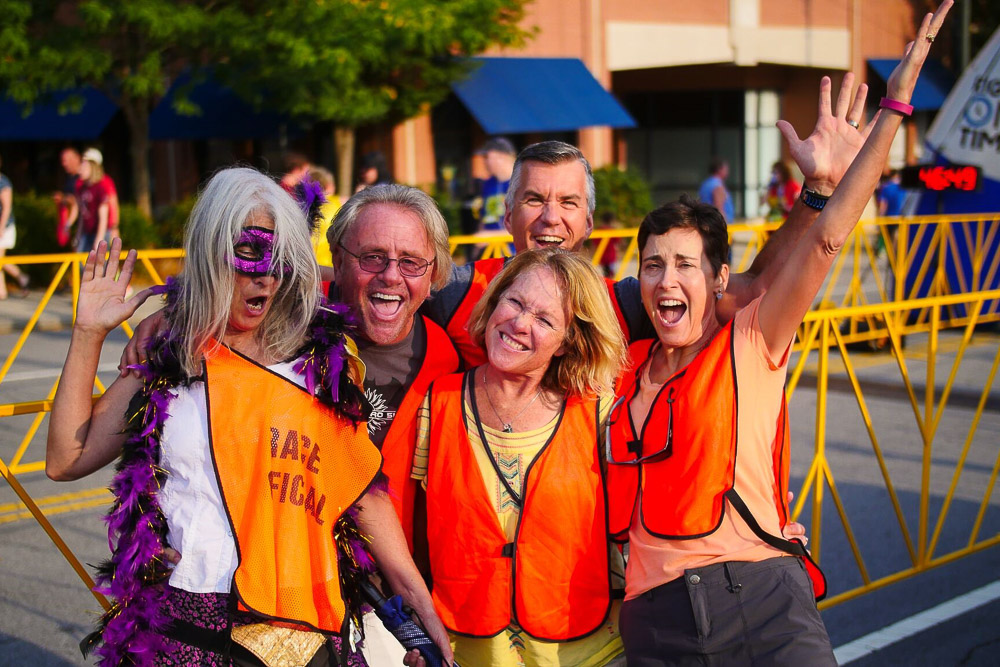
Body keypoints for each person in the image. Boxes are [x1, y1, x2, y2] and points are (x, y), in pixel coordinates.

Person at [606, 4, 951, 664]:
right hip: (654, 619)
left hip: (759, 597)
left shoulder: (748, 341)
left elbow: (824, 243)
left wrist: (891, 115)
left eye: (684, 264)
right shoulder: (622, 367)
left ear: (718, 280)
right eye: (652, 264)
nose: (665, 280)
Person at [46, 167, 452, 667]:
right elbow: (66, 458)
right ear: (211, 250)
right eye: (249, 253)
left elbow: (360, 486)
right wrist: (88, 333)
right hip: (188, 624)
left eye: (281, 258)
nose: (266, 275)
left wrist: (417, 600)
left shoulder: (318, 359)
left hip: (305, 626)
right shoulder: (172, 355)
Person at [411, 249, 630, 667]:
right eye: (514, 302)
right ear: (494, 301)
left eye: (545, 320)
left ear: (568, 342)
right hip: (462, 653)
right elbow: (413, 529)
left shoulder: (601, 413)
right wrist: (414, 627)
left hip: (589, 654)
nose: (519, 324)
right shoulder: (436, 402)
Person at [70, 148, 117, 253]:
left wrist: (114, 227)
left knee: (101, 264)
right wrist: (77, 235)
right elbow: (82, 212)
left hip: (101, 230)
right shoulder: (81, 186)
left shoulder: (104, 183)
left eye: (85, 165)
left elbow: (111, 207)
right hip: (87, 230)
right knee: (82, 262)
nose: (80, 169)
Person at [0, 153, 30, 299]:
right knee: (0, 259)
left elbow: (6, 208)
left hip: (5, 226)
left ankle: (21, 277)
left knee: (0, 259)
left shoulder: (3, 182)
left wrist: (1, 228)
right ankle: (2, 291)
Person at [476, 137, 517, 235]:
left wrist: (491, 235)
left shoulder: (522, 182)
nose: (484, 162)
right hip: (491, 249)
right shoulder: (488, 184)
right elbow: (484, 218)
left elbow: (525, 226)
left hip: (514, 248)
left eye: (487, 157)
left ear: (502, 157)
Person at [55, 147, 82, 248]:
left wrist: (67, 224)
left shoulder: (82, 179)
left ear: (77, 159)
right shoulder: (70, 178)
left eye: (66, 161)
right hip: (77, 225)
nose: (63, 164)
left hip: (85, 225)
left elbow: (75, 201)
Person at [698, 157, 734, 224]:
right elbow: (719, 207)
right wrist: (724, 226)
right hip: (717, 224)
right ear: (719, 169)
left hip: (706, 221)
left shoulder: (705, 184)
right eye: (726, 168)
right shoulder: (717, 185)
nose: (728, 171)